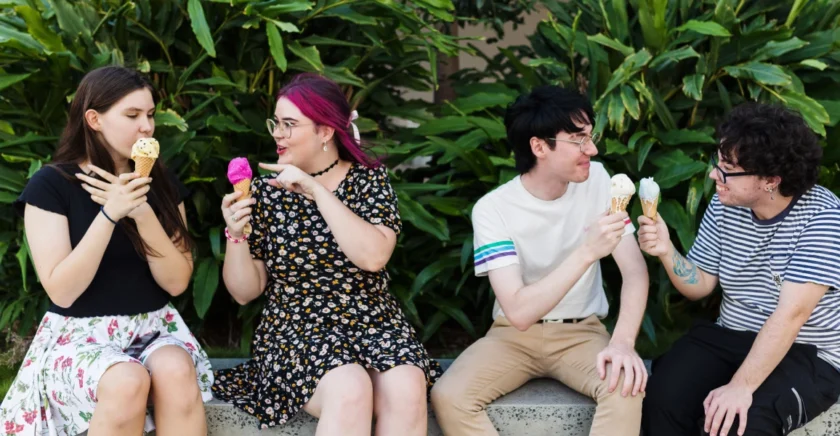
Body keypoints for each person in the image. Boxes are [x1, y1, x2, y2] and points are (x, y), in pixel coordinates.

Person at [212, 73, 440, 435]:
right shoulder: (265, 193)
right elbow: (244, 292)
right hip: (296, 328)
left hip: (374, 323)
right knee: (349, 390)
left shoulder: (369, 181)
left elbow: (373, 256)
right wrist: (236, 235)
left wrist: (316, 191)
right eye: (276, 123)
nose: (277, 134)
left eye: (290, 124)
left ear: (326, 132)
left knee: (407, 388)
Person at [0, 66, 213, 436]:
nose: (146, 127)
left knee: (177, 370)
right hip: (78, 337)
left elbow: (178, 282)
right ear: (94, 119)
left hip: (152, 327)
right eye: (132, 116)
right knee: (126, 380)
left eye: (149, 115)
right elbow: (62, 290)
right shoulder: (51, 186)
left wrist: (142, 212)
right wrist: (110, 213)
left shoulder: (162, 185)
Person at [430, 85, 650, 436]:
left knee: (625, 386)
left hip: (583, 332)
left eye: (590, 137)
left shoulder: (599, 181)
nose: (591, 149)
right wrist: (587, 251)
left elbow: (636, 273)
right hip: (513, 337)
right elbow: (517, 312)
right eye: (578, 140)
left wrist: (622, 342)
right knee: (449, 395)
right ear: (539, 146)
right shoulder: (493, 209)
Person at [640, 103, 840, 436]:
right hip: (731, 335)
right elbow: (700, 284)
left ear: (770, 180)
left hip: (806, 352)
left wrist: (741, 386)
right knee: (662, 399)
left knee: (734, 425)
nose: (714, 176)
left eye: (728, 169)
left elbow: (791, 315)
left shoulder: (823, 219)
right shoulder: (726, 203)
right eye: (718, 163)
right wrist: (665, 250)